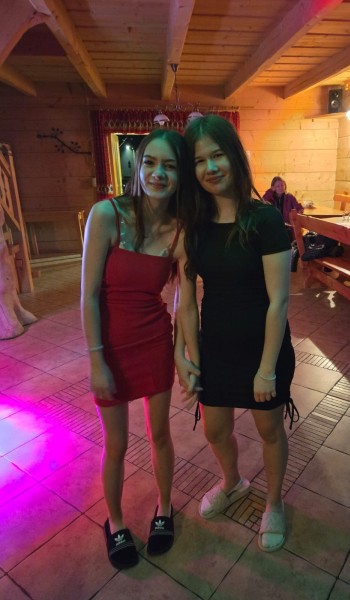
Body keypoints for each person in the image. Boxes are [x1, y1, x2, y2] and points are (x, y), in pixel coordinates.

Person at [176, 115, 298, 553]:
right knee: (215, 430)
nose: (210, 167)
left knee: (269, 430)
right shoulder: (194, 224)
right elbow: (185, 301)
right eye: (199, 160)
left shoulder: (264, 219)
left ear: (234, 157)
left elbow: (279, 301)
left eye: (218, 155)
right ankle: (233, 482)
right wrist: (186, 357)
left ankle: (274, 502)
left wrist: (266, 369)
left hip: (263, 349)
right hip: (216, 350)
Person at [81, 128, 195, 569]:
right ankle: (114, 521)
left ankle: (165, 507)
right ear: (138, 166)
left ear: (180, 175)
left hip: (154, 342)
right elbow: (89, 295)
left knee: (160, 434)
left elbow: (186, 301)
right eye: (150, 162)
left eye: (169, 166)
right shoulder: (106, 214)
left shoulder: (181, 230)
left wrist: (184, 355)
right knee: (116, 443)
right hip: (110, 347)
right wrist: (96, 360)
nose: (157, 173)